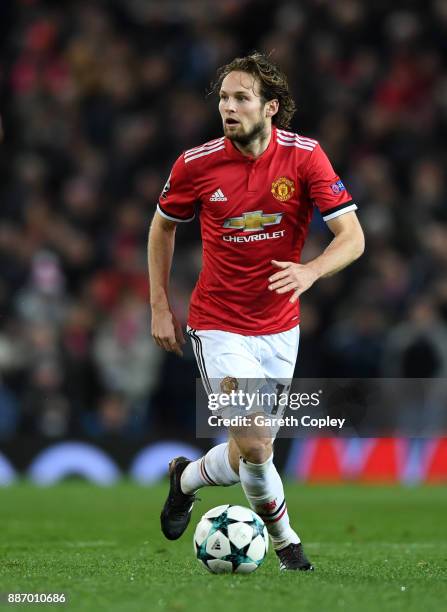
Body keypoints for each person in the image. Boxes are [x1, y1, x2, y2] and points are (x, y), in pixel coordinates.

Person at [148, 52, 364, 571]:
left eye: (241, 97)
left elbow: (352, 237)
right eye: (223, 97)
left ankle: (186, 479)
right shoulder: (195, 164)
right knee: (256, 441)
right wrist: (160, 304)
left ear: (270, 107)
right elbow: (162, 227)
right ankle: (288, 543)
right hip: (219, 324)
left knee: (251, 446)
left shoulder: (306, 157)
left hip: (280, 327)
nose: (228, 106)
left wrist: (310, 271)